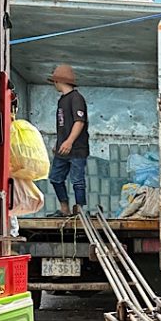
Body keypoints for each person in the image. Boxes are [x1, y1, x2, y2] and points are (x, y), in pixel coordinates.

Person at [47, 64, 90, 216]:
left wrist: (69, 141)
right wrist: (58, 143)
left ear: (58, 81)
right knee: (55, 178)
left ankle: (80, 210)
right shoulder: (62, 100)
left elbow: (80, 121)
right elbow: (63, 125)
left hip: (77, 148)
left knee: (77, 180)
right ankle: (64, 208)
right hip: (63, 148)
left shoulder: (76, 98)